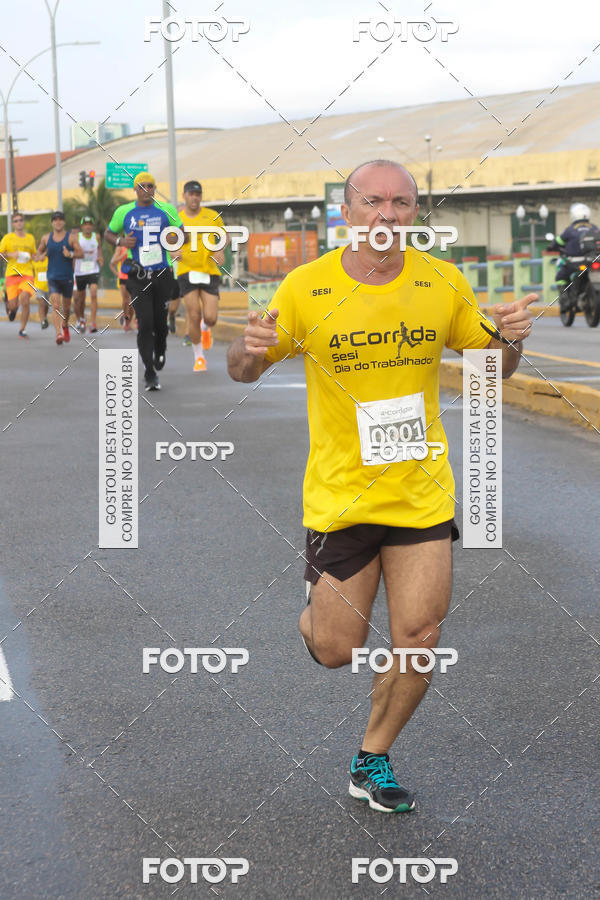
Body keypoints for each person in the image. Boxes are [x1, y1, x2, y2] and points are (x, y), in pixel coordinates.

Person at [227, 160, 536, 814]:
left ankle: (373, 756)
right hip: (341, 496)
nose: (386, 216)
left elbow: (493, 367)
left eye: (400, 204)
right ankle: (313, 616)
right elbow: (243, 370)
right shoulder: (308, 288)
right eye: (373, 202)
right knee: (338, 649)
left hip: (421, 492)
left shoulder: (441, 283)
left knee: (420, 635)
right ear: (348, 211)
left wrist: (507, 342)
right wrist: (249, 348)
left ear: (415, 214)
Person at [104, 172, 183, 391]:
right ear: (135, 189)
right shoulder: (124, 211)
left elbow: (181, 232)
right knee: (145, 322)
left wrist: (174, 241)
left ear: (154, 189)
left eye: (150, 186)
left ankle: (161, 349)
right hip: (138, 276)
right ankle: (149, 372)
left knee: (160, 323)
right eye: (141, 186)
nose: (145, 189)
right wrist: (121, 240)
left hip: (162, 273)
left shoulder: (167, 210)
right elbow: (108, 234)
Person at [172, 179, 226, 372]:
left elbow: (224, 236)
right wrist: (173, 252)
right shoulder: (176, 219)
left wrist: (220, 249)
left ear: (200, 197)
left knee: (210, 318)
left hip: (209, 270)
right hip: (186, 271)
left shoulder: (212, 216)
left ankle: (205, 328)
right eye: (191, 194)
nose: (194, 198)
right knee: (193, 314)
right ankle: (199, 357)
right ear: (184, 196)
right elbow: (168, 240)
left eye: (197, 194)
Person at [36, 211, 83, 345]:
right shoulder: (46, 238)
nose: (58, 222)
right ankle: (58, 334)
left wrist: (70, 254)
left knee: (66, 308)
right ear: (52, 223)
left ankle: (65, 325)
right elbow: (40, 250)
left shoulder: (71, 238)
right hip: (52, 277)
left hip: (67, 277)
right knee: (56, 305)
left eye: (60, 219)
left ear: (64, 222)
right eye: (55, 220)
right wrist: (40, 255)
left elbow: (81, 253)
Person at [0, 212, 37, 338]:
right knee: (13, 306)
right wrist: (10, 255)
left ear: (23, 221)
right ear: (13, 223)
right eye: (15, 221)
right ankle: (9, 303)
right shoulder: (8, 238)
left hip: (27, 274)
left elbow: (34, 255)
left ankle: (22, 329)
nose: (19, 222)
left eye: (20, 220)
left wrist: (38, 257)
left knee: (25, 299)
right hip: (11, 275)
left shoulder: (30, 238)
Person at [549, 202, 600, 292]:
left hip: (575, 263)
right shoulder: (594, 228)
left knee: (561, 276)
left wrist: (551, 246)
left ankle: (565, 299)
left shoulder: (570, 229)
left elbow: (558, 241)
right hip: (593, 261)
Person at [73, 215, 103, 334]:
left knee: (94, 293)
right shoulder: (76, 237)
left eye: (90, 224)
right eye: (85, 225)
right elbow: (72, 251)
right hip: (80, 271)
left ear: (93, 226)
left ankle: (93, 323)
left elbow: (99, 248)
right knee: (81, 300)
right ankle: (82, 319)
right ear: (82, 226)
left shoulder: (97, 237)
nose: (88, 227)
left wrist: (100, 257)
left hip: (93, 270)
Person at [109, 243, 133, 331]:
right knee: (126, 300)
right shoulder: (120, 247)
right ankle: (125, 316)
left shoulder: (136, 245)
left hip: (134, 277)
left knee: (132, 301)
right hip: (123, 277)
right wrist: (123, 254)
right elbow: (113, 262)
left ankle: (128, 321)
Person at [32, 254, 50, 329]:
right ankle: (42, 321)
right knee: (41, 303)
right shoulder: (34, 261)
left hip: (48, 286)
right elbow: (32, 273)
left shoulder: (48, 259)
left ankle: (45, 317)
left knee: (46, 305)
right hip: (38, 286)